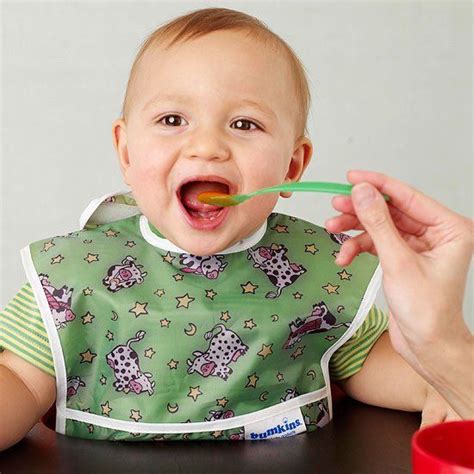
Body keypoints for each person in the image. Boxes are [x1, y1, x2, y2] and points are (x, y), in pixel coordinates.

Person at [0, 7, 471, 450]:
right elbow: (18, 381)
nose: (207, 146)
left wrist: (443, 374)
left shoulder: (319, 270)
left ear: (292, 164)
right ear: (126, 152)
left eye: (244, 124)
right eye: (172, 120)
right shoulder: (71, 276)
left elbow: (372, 363)